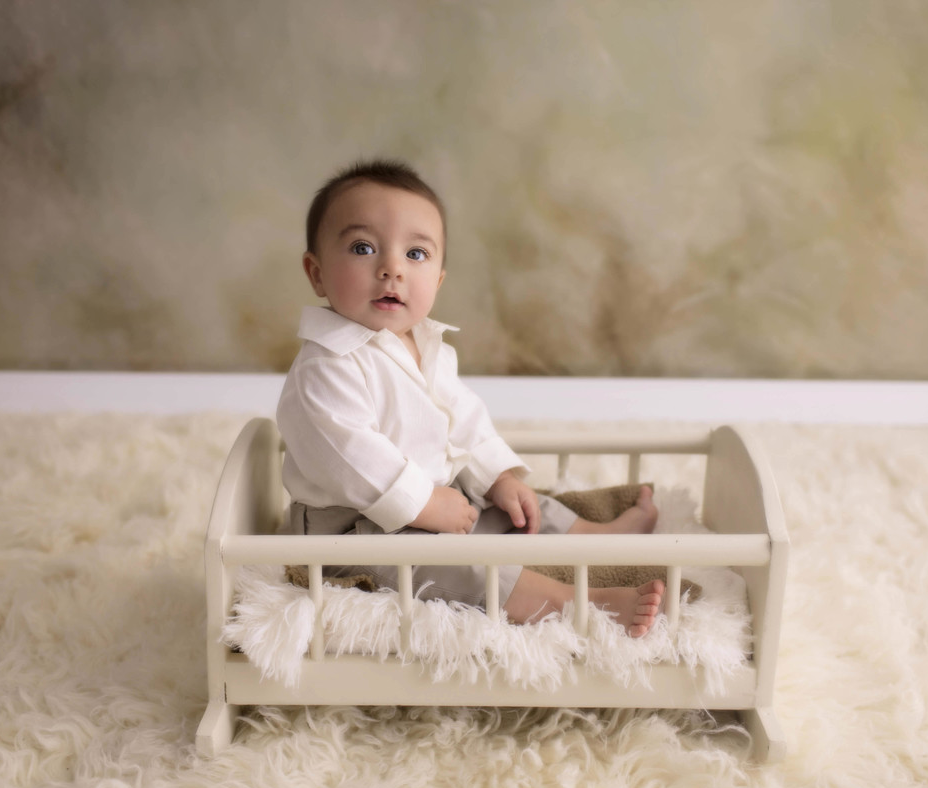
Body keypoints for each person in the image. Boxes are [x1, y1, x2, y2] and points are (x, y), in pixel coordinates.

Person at [277, 159, 664, 636]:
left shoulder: (424, 344)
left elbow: (461, 418)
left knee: (514, 503)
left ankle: (593, 537)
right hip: (355, 535)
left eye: (415, 255)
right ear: (316, 273)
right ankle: (576, 606)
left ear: (437, 280)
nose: (391, 269)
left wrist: (495, 475)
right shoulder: (327, 365)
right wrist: (423, 504)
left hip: (434, 501)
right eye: (363, 248)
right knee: (452, 566)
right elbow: (349, 455)